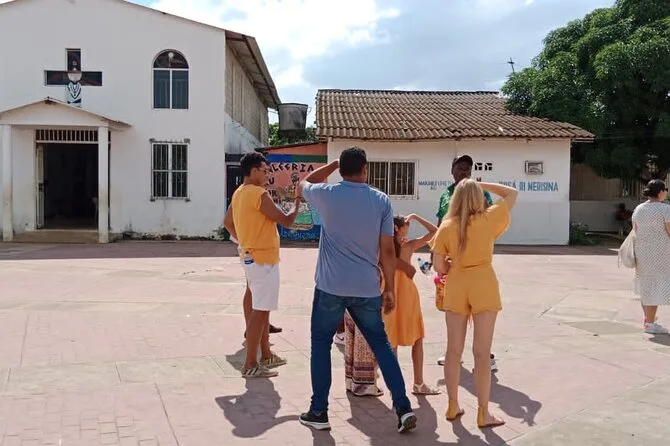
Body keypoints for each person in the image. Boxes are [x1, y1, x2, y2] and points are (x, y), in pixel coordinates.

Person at [296, 147, 417, 433]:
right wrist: (389, 289)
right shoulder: (380, 200)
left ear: (341, 170)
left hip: (330, 286)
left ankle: (319, 411)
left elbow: (303, 184)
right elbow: (387, 250)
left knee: (321, 345)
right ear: (365, 169)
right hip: (366, 287)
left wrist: (332, 165)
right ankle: (402, 407)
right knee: (381, 345)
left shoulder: (326, 195)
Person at [430, 179, 517, 429]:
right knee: (481, 352)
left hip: (457, 283)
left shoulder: (447, 225)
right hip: (483, 283)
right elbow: (512, 193)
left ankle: (452, 405)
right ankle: (483, 412)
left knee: (453, 351)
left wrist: (451, 265)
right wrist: (482, 185)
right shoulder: (488, 218)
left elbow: (439, 266)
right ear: (478, 197)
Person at [223, 152, 300, 378]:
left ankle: (266, 354)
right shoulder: (259, 194)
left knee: (260, 304)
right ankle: (250, 364)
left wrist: (244, 240)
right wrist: (298, 203)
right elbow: (286, 220)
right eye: (265, 171)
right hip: (263, 259)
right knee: (261, 310)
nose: (267, 175)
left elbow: (227, 222)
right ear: (254, 171)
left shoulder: (239, 193)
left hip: (250, 256)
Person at [434, 155, 498, 373]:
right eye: (461, 168)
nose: (464, 172)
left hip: (476, 264)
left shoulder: (480, 193)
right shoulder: (446, 194)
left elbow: (489, 220)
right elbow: (440, 223)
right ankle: (454, 352)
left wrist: (481, 189)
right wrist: (436, 253)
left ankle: (485, 354)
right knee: (453, 311)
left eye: (468, 169)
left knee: (481, 313)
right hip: (452, 265)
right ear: (452, 170)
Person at [384, 214, 440, 395]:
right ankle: (418, 383)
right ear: (399, 228)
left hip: (388, 289)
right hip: (406, 292)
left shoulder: (385, 245)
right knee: (417, 337)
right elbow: (434, 231)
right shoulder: (408, 246)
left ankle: (395, 387)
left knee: (391, 338)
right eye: (406, 224)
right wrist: (416, 216)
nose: (408, 226)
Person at [631, 179, 670, 334]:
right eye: (665, 190)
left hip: (642, 252)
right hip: (661, 252)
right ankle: (651, 323)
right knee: (655, 285)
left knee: (646, 284)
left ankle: (648, 319)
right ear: (660, 192)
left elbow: (635, 230)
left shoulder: (639, 209)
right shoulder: (665, 209)